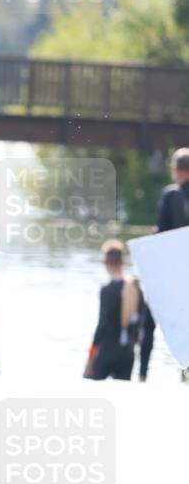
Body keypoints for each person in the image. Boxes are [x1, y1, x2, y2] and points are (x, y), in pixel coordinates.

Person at [139, 147, 189, 381]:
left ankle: (142, 374)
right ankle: (184, 374)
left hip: (172, 269)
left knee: (149, 318)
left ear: (176, 170)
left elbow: (160, 235)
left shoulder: (171, 195)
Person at [84, 239, 142, 381]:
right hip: (127, 352)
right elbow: (140, 320)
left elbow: (102, 325)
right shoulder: (135, 286)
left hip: (108, 349)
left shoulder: (107, 290)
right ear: (122, 261)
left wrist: (90, 358)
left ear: (105, 263)